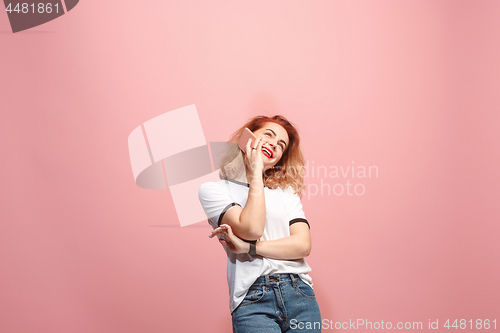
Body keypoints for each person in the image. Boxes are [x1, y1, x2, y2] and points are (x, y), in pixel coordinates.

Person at [198, 115, 321, 333]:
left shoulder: (285, 192)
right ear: (248, 137)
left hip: (300, 294)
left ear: (280, 158)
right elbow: (252, 229)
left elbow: (303, 245)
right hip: (253, 298)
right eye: (268, 135)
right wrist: (255, 171)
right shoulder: (214, 190)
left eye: (281, 145)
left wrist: (249, 248)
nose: (274, 144)